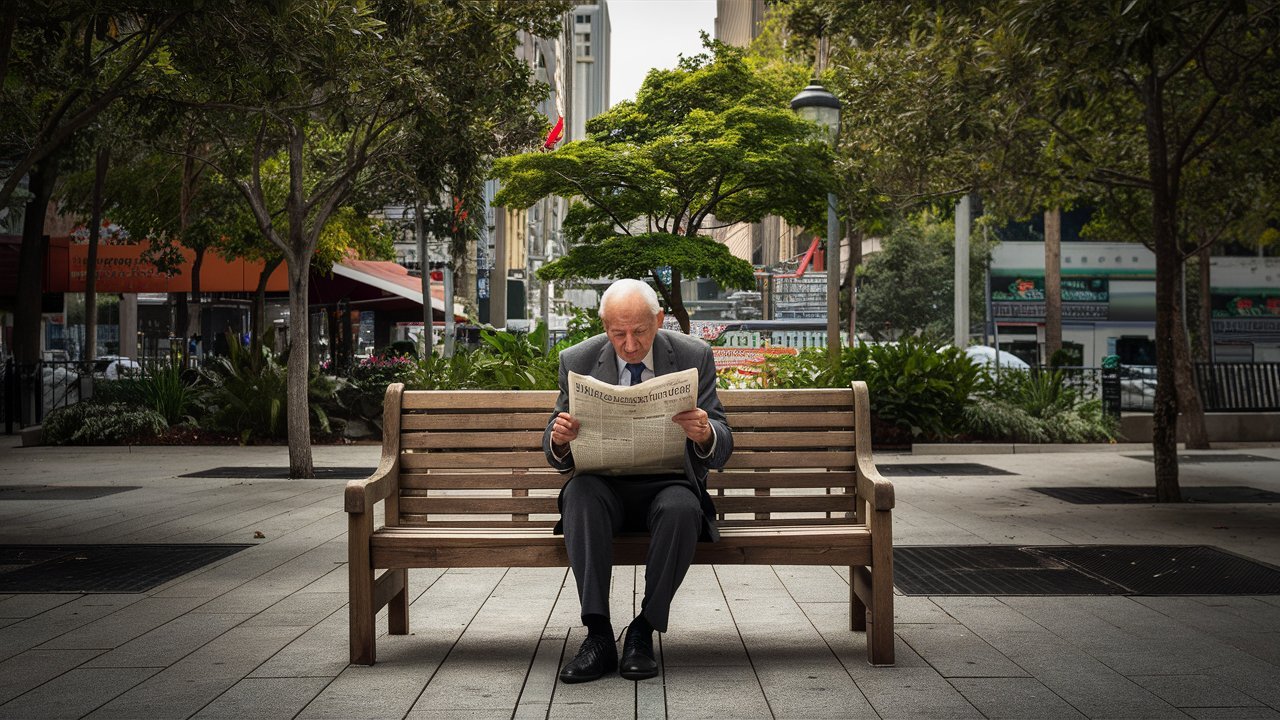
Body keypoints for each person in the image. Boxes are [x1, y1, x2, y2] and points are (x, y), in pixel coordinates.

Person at [544, 278, 733, 683]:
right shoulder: (576, 359)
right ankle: (597, 635)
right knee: (578, 494)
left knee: (685, 508)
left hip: (667, 485)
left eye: (640, 332)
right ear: (604, 326)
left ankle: (643, 631)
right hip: (602, 486)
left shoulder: (692, 355)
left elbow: (722, 442)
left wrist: (705, 433)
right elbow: (553, 446)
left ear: (659, 320)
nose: (629, 344)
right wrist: (559, 439)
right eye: (618, 333)